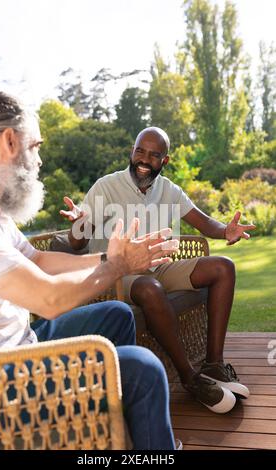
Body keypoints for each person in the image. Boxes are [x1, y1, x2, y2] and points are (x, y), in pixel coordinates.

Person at [0, 91, 179, 450]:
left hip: (18, 345)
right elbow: (49, 298)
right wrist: (119, 265)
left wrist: (111, 259)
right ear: (9, 141)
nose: (38, 160)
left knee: (117, 314)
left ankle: (111, 433)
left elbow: (37, 260)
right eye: (34, 147)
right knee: (143, 370)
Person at [62, 126, 256, 414]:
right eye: (140, 151)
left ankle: (214, 365)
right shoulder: (106, 186)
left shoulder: (169, 190)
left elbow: (204, 223)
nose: (144, 159)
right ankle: (191, 378)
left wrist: (225, 230)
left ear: (164, 161)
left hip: (157, 267)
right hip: (115, 274)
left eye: (153, 155)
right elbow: (77, 242)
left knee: (223, 268)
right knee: (149, 287)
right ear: (132, 151)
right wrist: (79, 221)